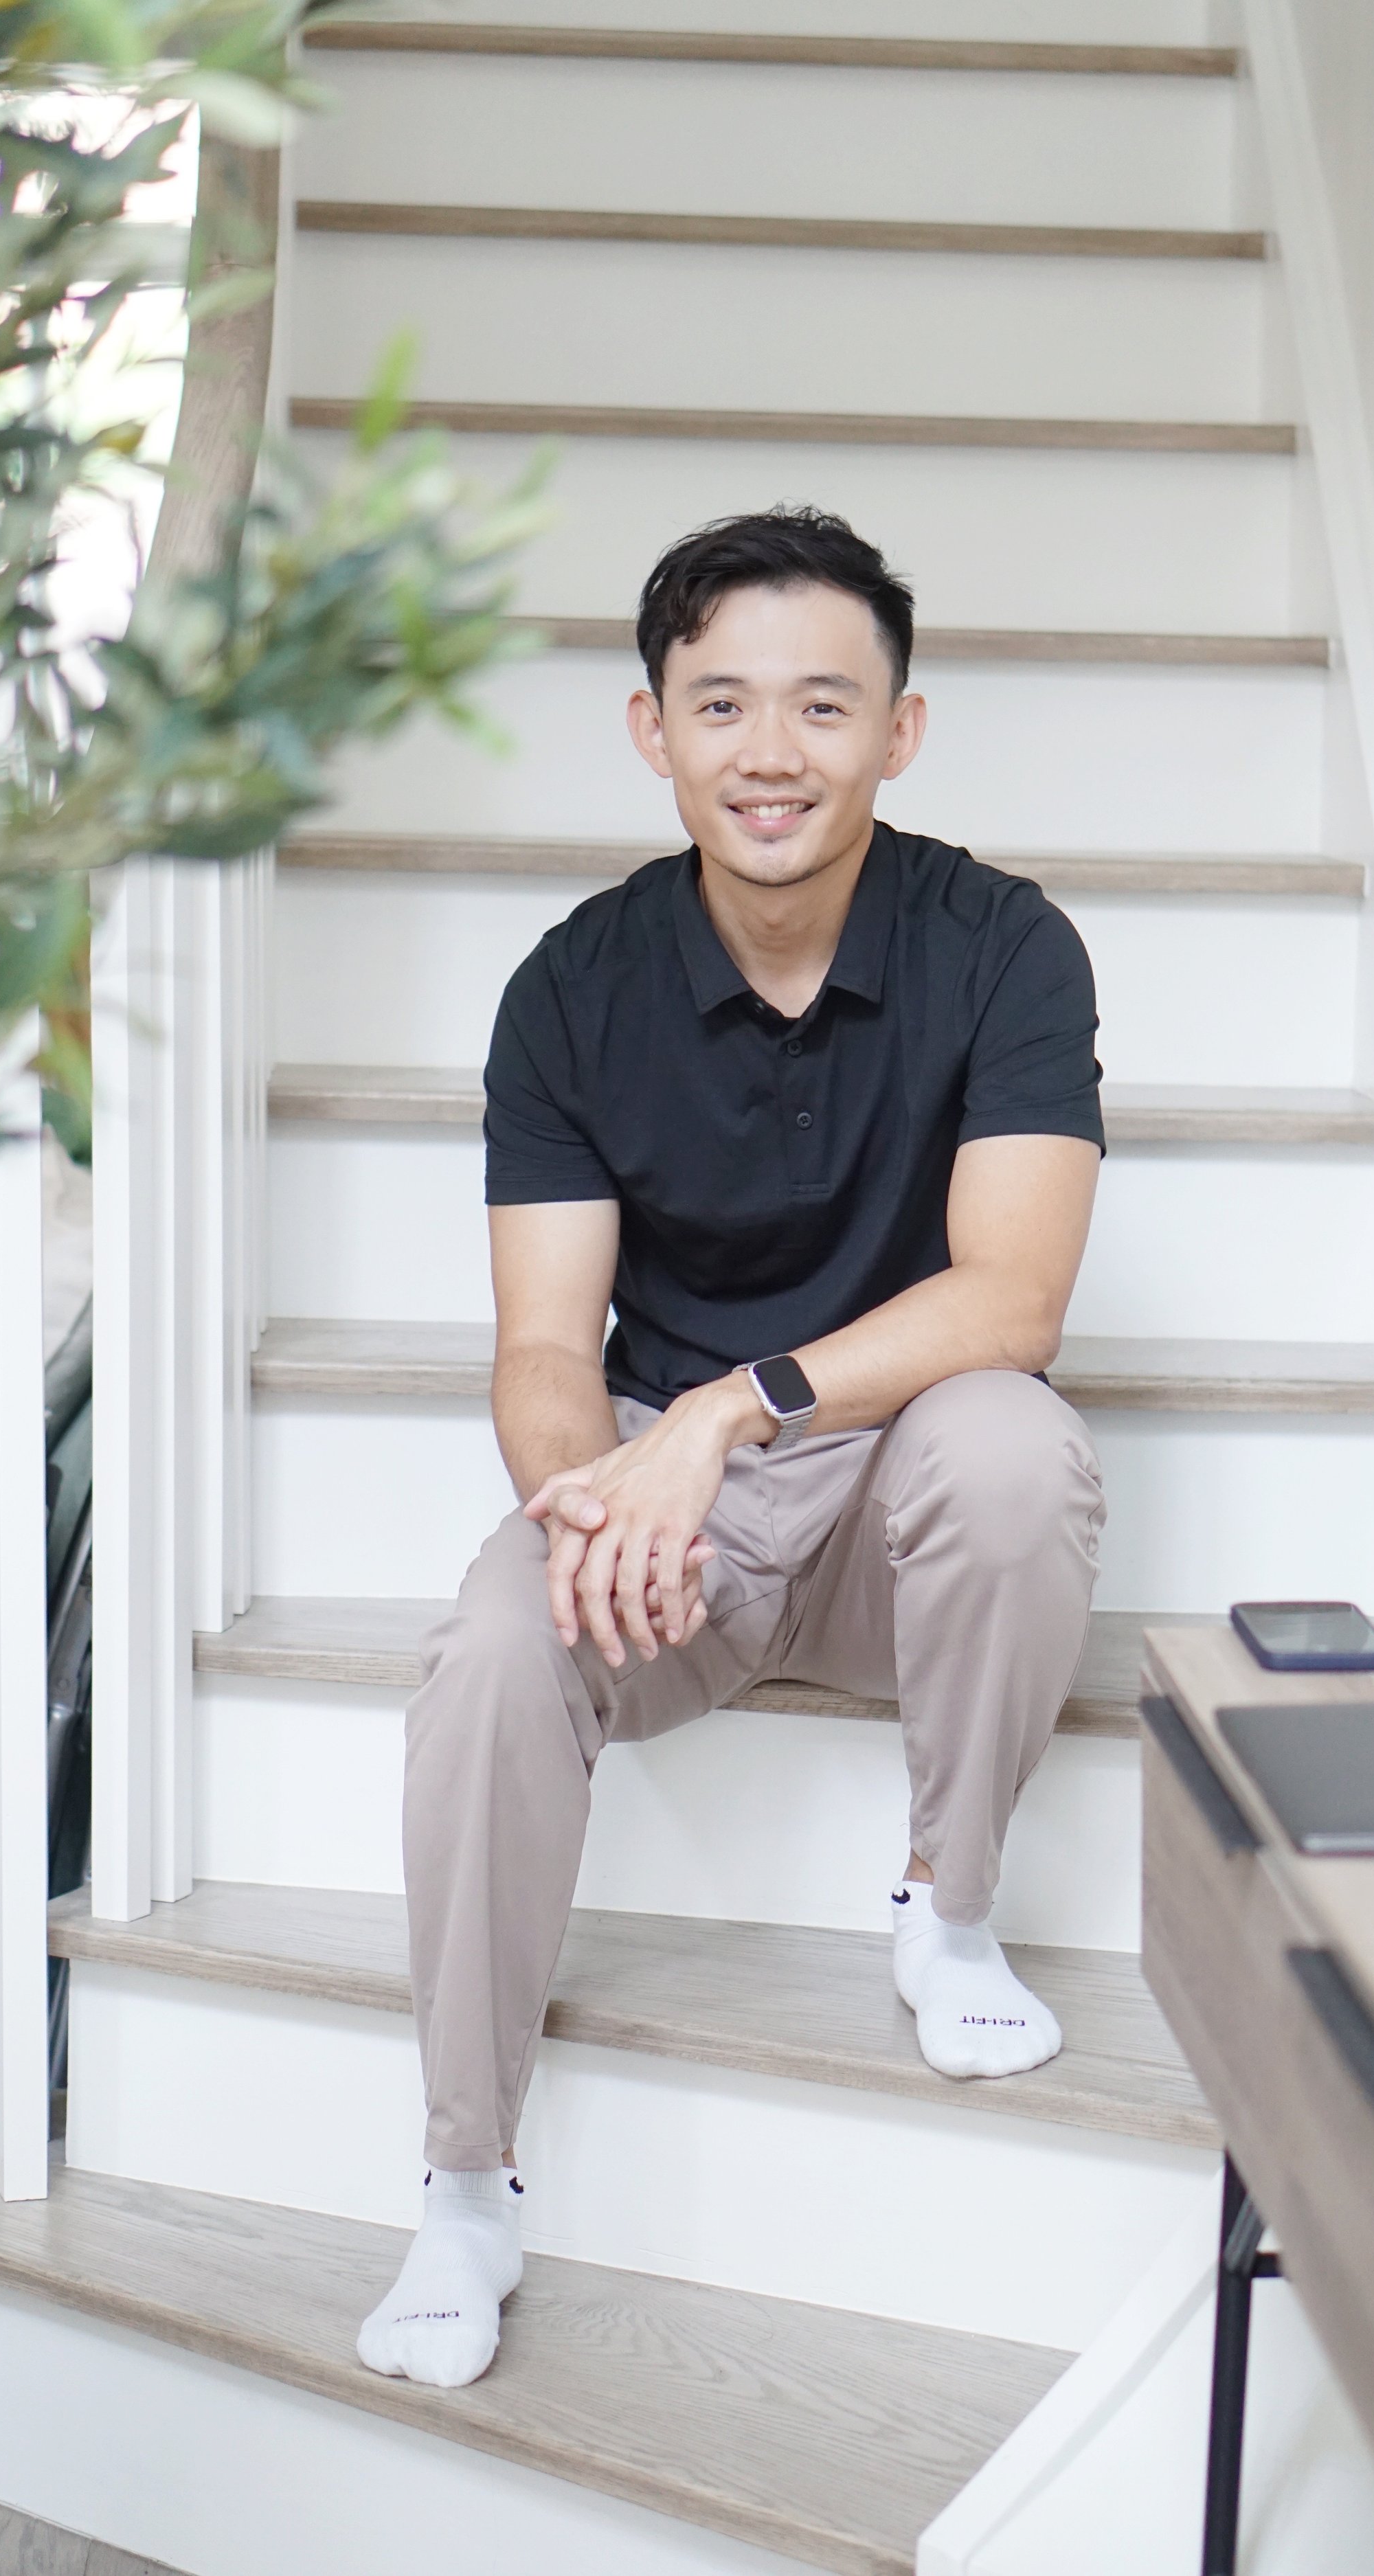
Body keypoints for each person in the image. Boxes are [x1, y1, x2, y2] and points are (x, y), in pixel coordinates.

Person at [358, 506, 1107, 2390]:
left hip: (885, 1499)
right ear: (654, 730)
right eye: (722, 705)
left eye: (822, 706)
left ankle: (948, 1909)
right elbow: (546, 1347)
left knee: (1012, 1445)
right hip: (669, 1530)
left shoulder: (1003, 947)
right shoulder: (572, 986)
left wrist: (719, 1408)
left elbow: (1013, 1299)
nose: (771, 752)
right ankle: (465, 2182)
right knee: (489, 1654)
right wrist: (585, 1499)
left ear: (899, 733)